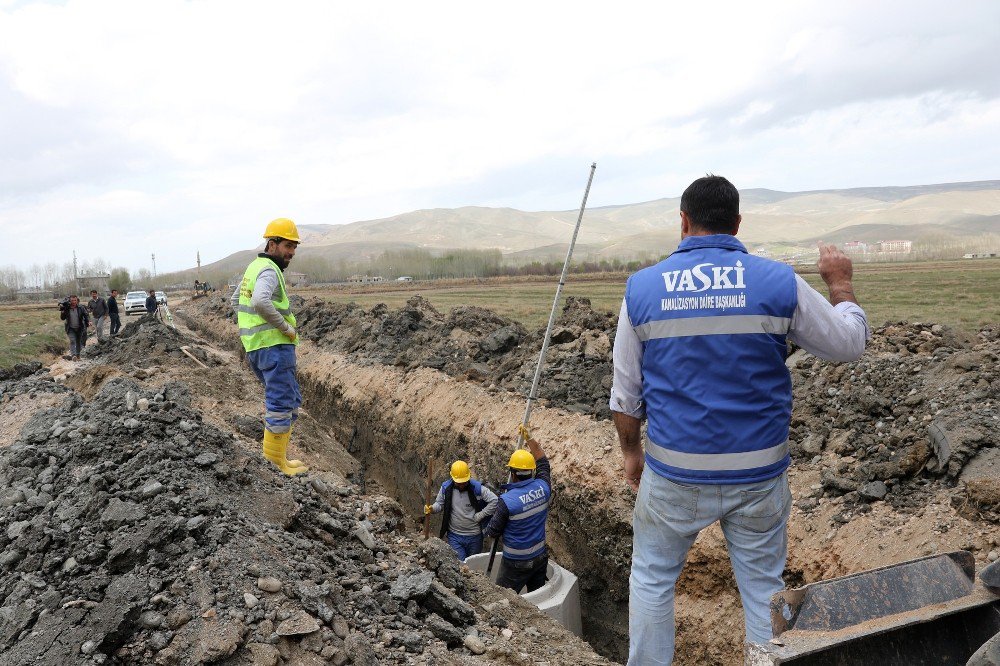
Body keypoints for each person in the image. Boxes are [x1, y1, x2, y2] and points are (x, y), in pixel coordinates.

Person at [610, 175, 870, 665]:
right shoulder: (777, 282)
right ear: (737, 223)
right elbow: (848, 344)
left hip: (674, 474)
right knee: (762, 590)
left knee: (650, 577)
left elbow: (626, 394)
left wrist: (631, 453)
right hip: (758, 478)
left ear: (683, 222)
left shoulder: (642, 289)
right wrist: (840, 284)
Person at [231, 218, 307, 475]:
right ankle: (274, 465)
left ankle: (279, 459)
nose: (292, 252)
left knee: (288, 400)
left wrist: (249, 332)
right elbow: (261, 302)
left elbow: (236, 300)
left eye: (294, 246)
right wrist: (285, 329)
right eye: (288, 245)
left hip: (259, 347)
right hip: (274, 346)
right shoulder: (268, 270)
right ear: (272, 243)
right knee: (280, 403)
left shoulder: (255, 267)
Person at [484, 426, 553, 593]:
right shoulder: (543, 488)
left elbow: (493, 531)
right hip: (540, 558)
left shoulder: (507, 501)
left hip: (516, 562)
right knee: (537, 597)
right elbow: (543, 462)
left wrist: (484, 527)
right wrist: (530, 438)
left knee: (504, 600)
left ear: (512, 474)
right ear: (532, 471)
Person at [425, 460, 499, 560]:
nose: (462, 485)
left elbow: (495, 500)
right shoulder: (446, 488)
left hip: (475, 536)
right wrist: (432, 508)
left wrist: (481, 514)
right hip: (454, 536)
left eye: (464, 482)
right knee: (460, 565)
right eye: (459, 483)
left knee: (473, 568)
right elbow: (439, 504)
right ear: (452, 478)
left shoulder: (477, 488)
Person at [60, 295, 90, 361]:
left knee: (78, 341)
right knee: (72, 340)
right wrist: (63, 311)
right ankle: (73, 355)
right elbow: (62, 318)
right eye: (72, 300)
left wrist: (88, 322)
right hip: (70, 328)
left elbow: (86, 315)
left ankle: (78, 355)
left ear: (77, 300)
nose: (74, 302)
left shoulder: (81, 308)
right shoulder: (66, 308)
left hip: (79, 327)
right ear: (70, 301)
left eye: (75, 300)